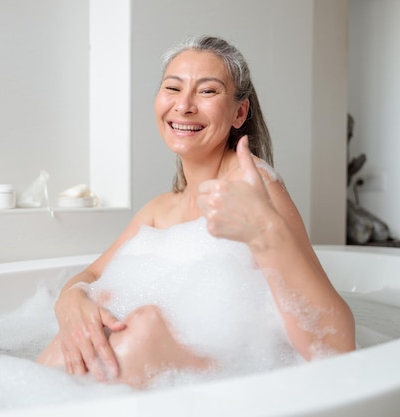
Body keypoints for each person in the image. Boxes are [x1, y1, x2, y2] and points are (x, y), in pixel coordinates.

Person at [37, 35, 356, 388]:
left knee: (145, 327)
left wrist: (266, 233)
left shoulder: (255, 188)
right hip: (153, 387)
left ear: (239, 112)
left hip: (241, 386)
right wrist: (70, 302)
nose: (184, 105)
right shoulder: (160, 210)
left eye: (207, 92)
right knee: (92, 322)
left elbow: (337, 349)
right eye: (172, 88)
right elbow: (91, 275)